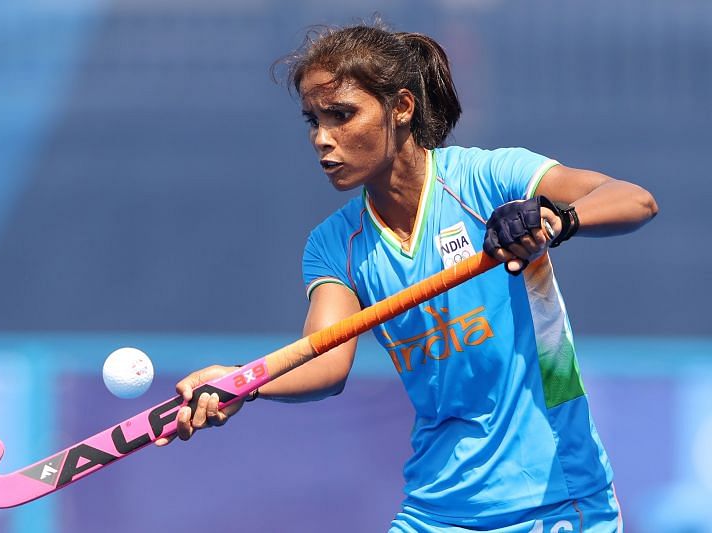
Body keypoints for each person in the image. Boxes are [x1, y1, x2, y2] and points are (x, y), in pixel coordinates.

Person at [156, 21, 658, 532]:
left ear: (400, 108)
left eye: (342, 115)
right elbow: (324, 359)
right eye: (313, 120)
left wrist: (554, 217)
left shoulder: (488, 180)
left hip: (559, 502)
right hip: (437, 509)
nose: (322, 140)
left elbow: (634, 199)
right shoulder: (336, 245)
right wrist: (245, 381)